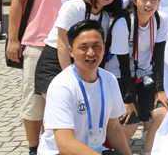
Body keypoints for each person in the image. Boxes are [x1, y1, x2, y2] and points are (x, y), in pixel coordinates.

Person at [6, 0, 90, 155]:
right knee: (34, 104)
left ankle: (55, 148)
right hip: (37, 43)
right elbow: (18, 0)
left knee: (64, 101)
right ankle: (34, 149)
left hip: (70, 46)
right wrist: (13, 39)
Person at [37, 19, 131, 155]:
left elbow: (114, 128)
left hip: (95, 150)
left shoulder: (110, 79)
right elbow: (65, 145)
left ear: (104, 48)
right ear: (71, 51)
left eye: (96, 46)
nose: (91, 52)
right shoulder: (61, 86)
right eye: (83, 47)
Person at [105, 0, 168, 155]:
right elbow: (123, 65)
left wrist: (160, 89)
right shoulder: (123, 24)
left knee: (163, 113)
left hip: (145, 74)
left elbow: (159, 55)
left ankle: (147, 151)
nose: (149, 4)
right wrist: (128, 100)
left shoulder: (160, 19)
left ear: (159, 0)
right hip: (120, 75)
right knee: (129, 123)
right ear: (134, 0)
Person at [35, 0, 122, 96]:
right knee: (58, 105)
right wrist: (71, 78)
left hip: (82, 63)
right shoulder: (74, 7)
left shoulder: (105, 18)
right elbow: (62, 45)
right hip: (56, 61)